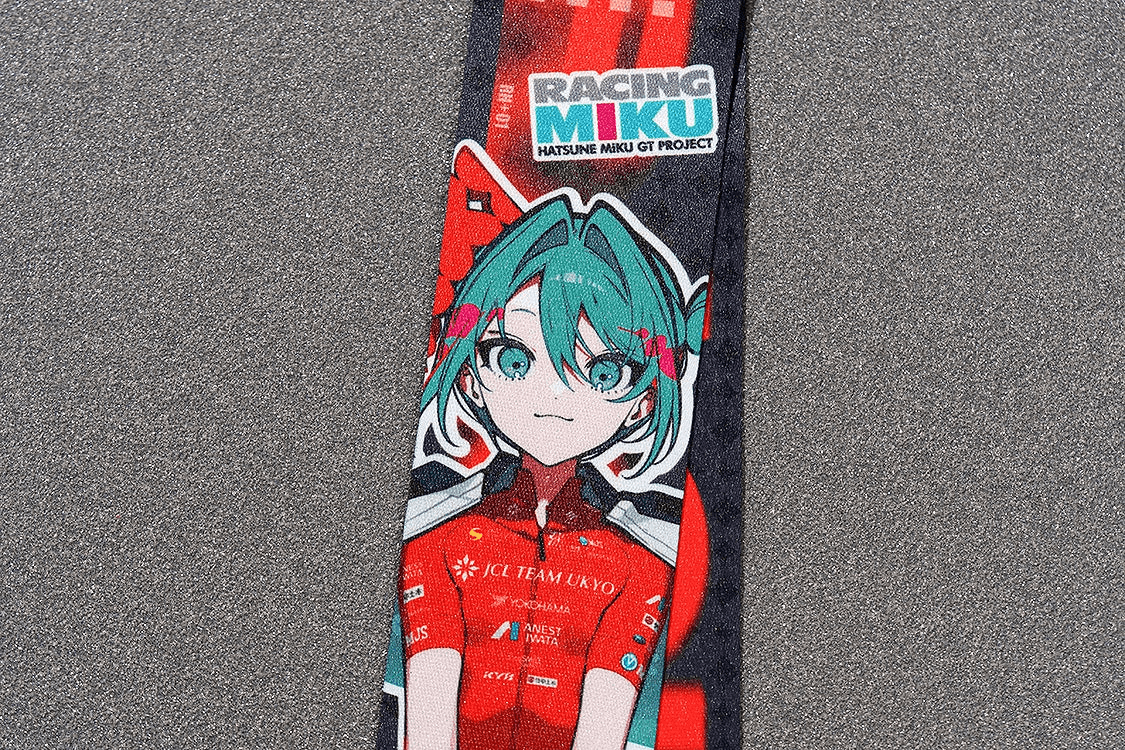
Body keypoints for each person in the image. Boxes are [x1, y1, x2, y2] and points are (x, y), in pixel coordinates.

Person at [397, 191, 705, 750]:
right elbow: (428, 714)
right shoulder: (435, 529)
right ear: (468, 376)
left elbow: (605, 725)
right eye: (513, 359)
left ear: (643, 401)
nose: (555, 394)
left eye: (605, 372)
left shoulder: (643, 555)